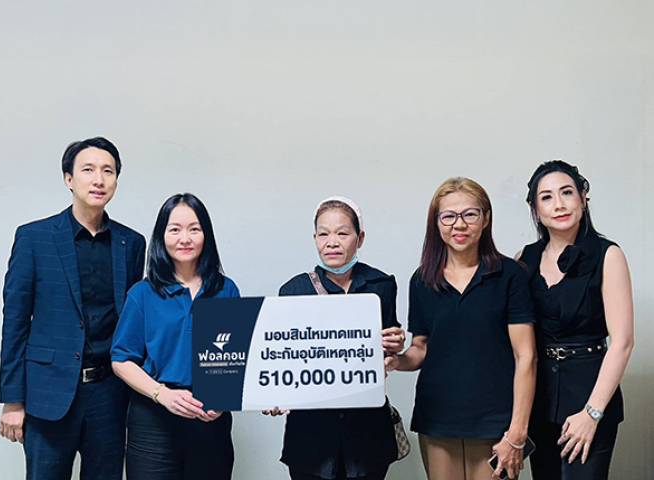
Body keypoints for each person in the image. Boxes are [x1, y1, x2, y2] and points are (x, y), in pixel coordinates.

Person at [0, 137, 146, 479]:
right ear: (69, 178)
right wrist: (13, 399)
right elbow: (15, 322)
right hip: (48, 393)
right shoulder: (34, 238)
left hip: (109, 395)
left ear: (116, 180)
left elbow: (132, 323)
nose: (99, 180)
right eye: (88, 170)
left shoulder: (132, 243)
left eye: (108, 171)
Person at [387, 177, 537, 480]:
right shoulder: (423, 280)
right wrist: (395, 361)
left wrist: (517, 431)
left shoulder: (510, 275)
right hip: (437, 418)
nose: (459, 224)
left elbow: (526, 357)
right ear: (436, 223)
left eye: (470, 214)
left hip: (497, 421)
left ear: (486, 219)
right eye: (448, 216)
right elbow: (421, 348)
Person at [265, 196, 406, 480]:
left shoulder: (381, 285)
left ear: (360, 238)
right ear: (314, 239)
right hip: (311, 435)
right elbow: (283, 357)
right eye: (323, 234)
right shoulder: (294, 291)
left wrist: (394, 346)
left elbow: (387, 351)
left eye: (342, 233)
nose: (332, 242)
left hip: (367, 431)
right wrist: (274, 393)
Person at [517, 161, 634, 479]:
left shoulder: (608, 255)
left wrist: (592, 413)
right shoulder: (524, 259)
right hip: (539, 400)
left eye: (567, 192)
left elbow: (622, 342)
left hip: (589, 396)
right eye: (546, 197)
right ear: (535, 210)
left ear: (583, 198)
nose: (559, 204)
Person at [111, 193, 239, 480]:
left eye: (194, 229)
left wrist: (223, 400)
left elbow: (234, 358)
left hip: (209, 420)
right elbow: (121, 360)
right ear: (162, 236)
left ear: (206, 235)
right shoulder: (142, 293)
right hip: (153, 421)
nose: (185, 238)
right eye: (175, 229)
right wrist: (163, 395)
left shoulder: (226, 289)